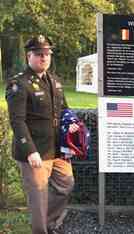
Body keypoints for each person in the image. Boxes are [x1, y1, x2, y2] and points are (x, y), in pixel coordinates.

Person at [5, 35, 79, 234]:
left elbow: (64, 110)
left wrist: (71, 124)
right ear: (29, 56)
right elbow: (17, 121)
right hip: (35, 152)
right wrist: (30, 151)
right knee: (39, 196)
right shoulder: (19, 83)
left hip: (57, 149)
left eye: (47, 54)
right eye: (39, 54)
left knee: (66, 184)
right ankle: (41, 230)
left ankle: (51, 223)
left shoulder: (54, 81)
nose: (44, 58)